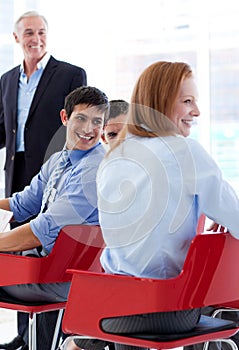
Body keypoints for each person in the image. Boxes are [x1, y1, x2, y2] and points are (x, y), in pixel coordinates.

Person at [61, 61, 239, 350]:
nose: (196, 111)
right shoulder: (185, 151)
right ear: (164, 101)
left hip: (112, 307)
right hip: (164, 311)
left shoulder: (113, 157)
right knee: (218, 305)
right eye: (187, 101)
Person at [0, 10, 87, 349]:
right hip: (18, 170)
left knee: (51, 248)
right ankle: (25, 335)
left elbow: (83, 123)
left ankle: (58, 334)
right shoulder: (7, 80)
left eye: (41, 32)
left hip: (54, 170)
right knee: (21, 252)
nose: (36, 39)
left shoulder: (68, 74)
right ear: (16, 38)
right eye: (29, 33)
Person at [0, 86, 109, 349]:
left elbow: (41, 230)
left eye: (97, 122)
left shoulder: (94, 169)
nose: (89, 128)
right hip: (47, 265)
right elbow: (22, 204)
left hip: (65, 277)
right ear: (65, 118)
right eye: (81, 118)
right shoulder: (59, 160)